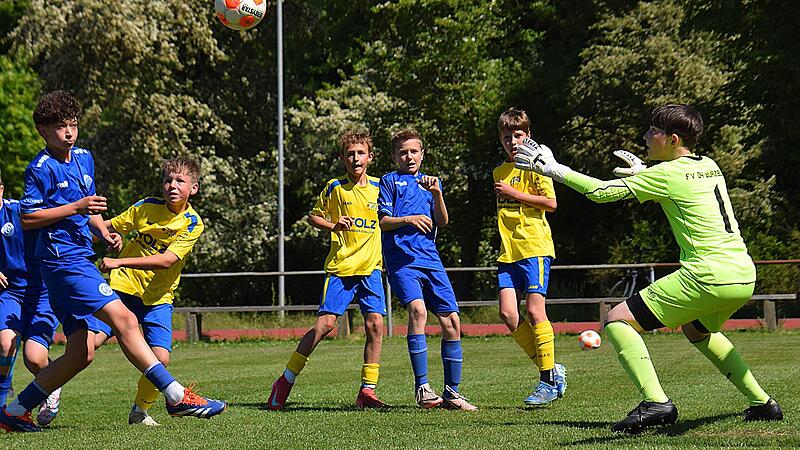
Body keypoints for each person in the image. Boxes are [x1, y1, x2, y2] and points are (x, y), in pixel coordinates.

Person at [513, 103, 783, 433]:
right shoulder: (709, 164)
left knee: (617, 321)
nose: (645, 136)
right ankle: (763, 403)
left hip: (708, 275)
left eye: (653, 131)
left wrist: (554, 169)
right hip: (743, 274)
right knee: (698, 330)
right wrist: (646, 174)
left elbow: (601, 193)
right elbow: (685, 188)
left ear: (672, 139)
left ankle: (656, 402)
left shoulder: (667, 174)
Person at [0, 90, 225, 433]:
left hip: (77, 258)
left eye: (73, 124)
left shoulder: (84, 158)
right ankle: (176, 396)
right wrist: (76, 210)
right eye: (60, 127)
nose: (69, 132)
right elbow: (30, 217)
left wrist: (104, 231)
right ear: (42, 131)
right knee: (125, 320)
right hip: (63, 261)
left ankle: (13, 411)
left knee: (80, 355)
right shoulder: (39, 168)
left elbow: (86, 204)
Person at [268, 129, 387, 410]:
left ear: (370, 157)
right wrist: (333, 225)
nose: (355, 158)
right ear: (342, 158)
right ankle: (284, 381)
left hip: (371, 268)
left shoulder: (381, 187)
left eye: (360, 153)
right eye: (350, 153)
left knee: (376, 325)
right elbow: (313, 216)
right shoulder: (335, 187)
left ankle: (367, 391)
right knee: (325, 325)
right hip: (341, 268)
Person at [93, 156, 204, 426]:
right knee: (90, 342)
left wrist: (119, 260)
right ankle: (51, 389)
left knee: (161, 358)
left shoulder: (192, 223)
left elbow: (166, 260)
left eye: (180, 181)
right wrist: (103, 236)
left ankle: (139, 412)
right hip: (123, 287)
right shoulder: (146, 207)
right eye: (168, 180)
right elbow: (109, 227)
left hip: (158, 298)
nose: (173, 186)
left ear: (194, 188)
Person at [378, 128, 477, 411]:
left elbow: (442, 221)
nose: (408, 156)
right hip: (403, 261)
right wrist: (408, 219)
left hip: (431, 259)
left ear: (422, 154)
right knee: (418, 311)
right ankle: (422, 388)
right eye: (402, 152)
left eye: (413, 151)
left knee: (452, 321)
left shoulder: (432, 182)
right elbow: (384, 222)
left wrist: (437, 195)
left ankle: (452, 393)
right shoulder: (389, 181)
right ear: (394, 156)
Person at [493, 108, 566, 406]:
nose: (513, 141)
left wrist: (515, 193)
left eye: (518, 136)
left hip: (534, 247)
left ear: (528, 136)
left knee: (536, 312)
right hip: (508, 252)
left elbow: (551, 203)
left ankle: (547, 381)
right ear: (501, 139)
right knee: (508, 315)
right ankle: (550, 369)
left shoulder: (537, 167)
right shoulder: (498, 171)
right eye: (507, 137)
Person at [0, 170, 61, 426]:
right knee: (5, 344)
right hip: (10, 292)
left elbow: (57, 221)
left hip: (42, 292)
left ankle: (53, 384)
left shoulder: (19, 211)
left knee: (34, 358)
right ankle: (3, 405)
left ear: (1, 190)